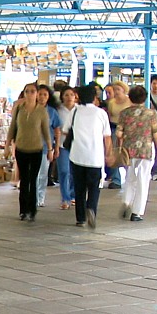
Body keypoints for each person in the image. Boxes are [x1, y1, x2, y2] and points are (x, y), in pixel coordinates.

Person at [5, 83, 52, 222]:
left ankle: (32, 209)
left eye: (32, 91)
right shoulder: (19, 109)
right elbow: (12, 128)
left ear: (36, 94)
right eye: (27, 91)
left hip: (36, 149)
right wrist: (7, 146)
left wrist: (50, 149)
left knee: (33, 179)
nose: (30, 94)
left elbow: (46, 131)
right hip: (21, 148)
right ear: (24, 93)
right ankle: (23, 210)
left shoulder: (41, 111)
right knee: (24, 180)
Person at [116, 85, 157, 222]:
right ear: (145, 98)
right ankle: (136, 212)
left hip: (128, 151)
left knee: (130, 178)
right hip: (145, 151)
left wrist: (122, 144)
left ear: (130, 98)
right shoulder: (150, 114)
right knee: (143, 180)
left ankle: (126, 201)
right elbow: (156, 135)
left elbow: (118, 133)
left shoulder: (124, 113)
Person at [69, 84, 112, 228]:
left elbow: (65, 130)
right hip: (95, 157)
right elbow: (107, 137)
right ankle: (91, 208)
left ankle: (80, 218)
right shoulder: (101, 113)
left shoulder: (75, 111)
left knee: (79, 188)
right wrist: (108, 154)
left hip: (77, 156)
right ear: (95, 97)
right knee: (94, 187)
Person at [36, 84, 62, 208]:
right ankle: (32, 197)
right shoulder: (30, 109)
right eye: (40, 94)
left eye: (45, 95)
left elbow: (57, 130)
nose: (42, 97)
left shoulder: (52, 112)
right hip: (30, 147)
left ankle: (40, 197)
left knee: (42, 174)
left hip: (46, 148)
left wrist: (56, 148)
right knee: (33, 175)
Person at [104, 80, 131, 189]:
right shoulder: (112, 102)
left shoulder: (130, 101)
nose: (116, 92)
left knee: (126, 153)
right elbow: (110, 116)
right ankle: (116, 179)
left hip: (127, 130)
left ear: (124, 90)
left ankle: (130, 177)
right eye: (114, 89)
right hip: (114, 128)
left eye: (118, 89)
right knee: (114, 153)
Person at [55, 86, 77, 210]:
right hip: (62, 144)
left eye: (71, 95)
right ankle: (65, 197)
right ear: (62, 97)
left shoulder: (79, 110)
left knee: (74, 171)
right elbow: (56, 127)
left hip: (77, 144)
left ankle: (73, 194)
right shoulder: (58, 110)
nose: (69, 97)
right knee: (64, 171)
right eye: (66, 95)